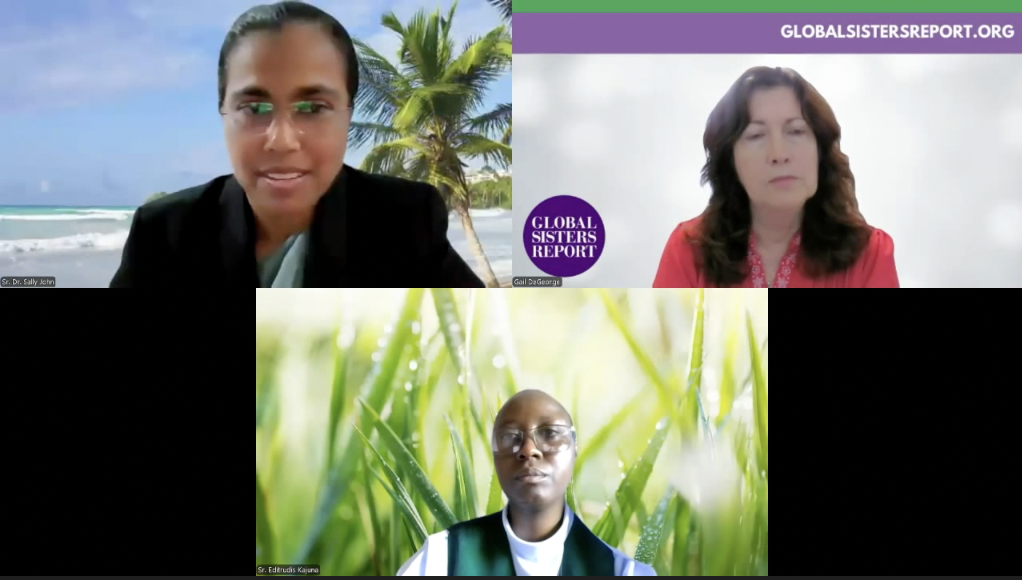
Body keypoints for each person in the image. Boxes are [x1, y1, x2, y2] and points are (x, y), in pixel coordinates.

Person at [110, 1, 484, 288]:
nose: (282, 140)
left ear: (348, 114)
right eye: (254, 107)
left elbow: (484, 348)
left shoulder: (402, 223)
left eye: (312, 108)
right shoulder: (164, 235)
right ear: (222, 111)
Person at [652, 66, 899, 288]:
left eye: (796, 131)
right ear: (730, 160)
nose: (779, 154)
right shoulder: (689, 248)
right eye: (756, 136)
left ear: (820, 151)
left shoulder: (870, 253)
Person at [396, 389, 656, 576]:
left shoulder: (625, 572)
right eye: (510, 436)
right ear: (495, 457)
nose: (529, 449)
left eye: (550, 434)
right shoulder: (440, 560)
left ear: (575, 451)